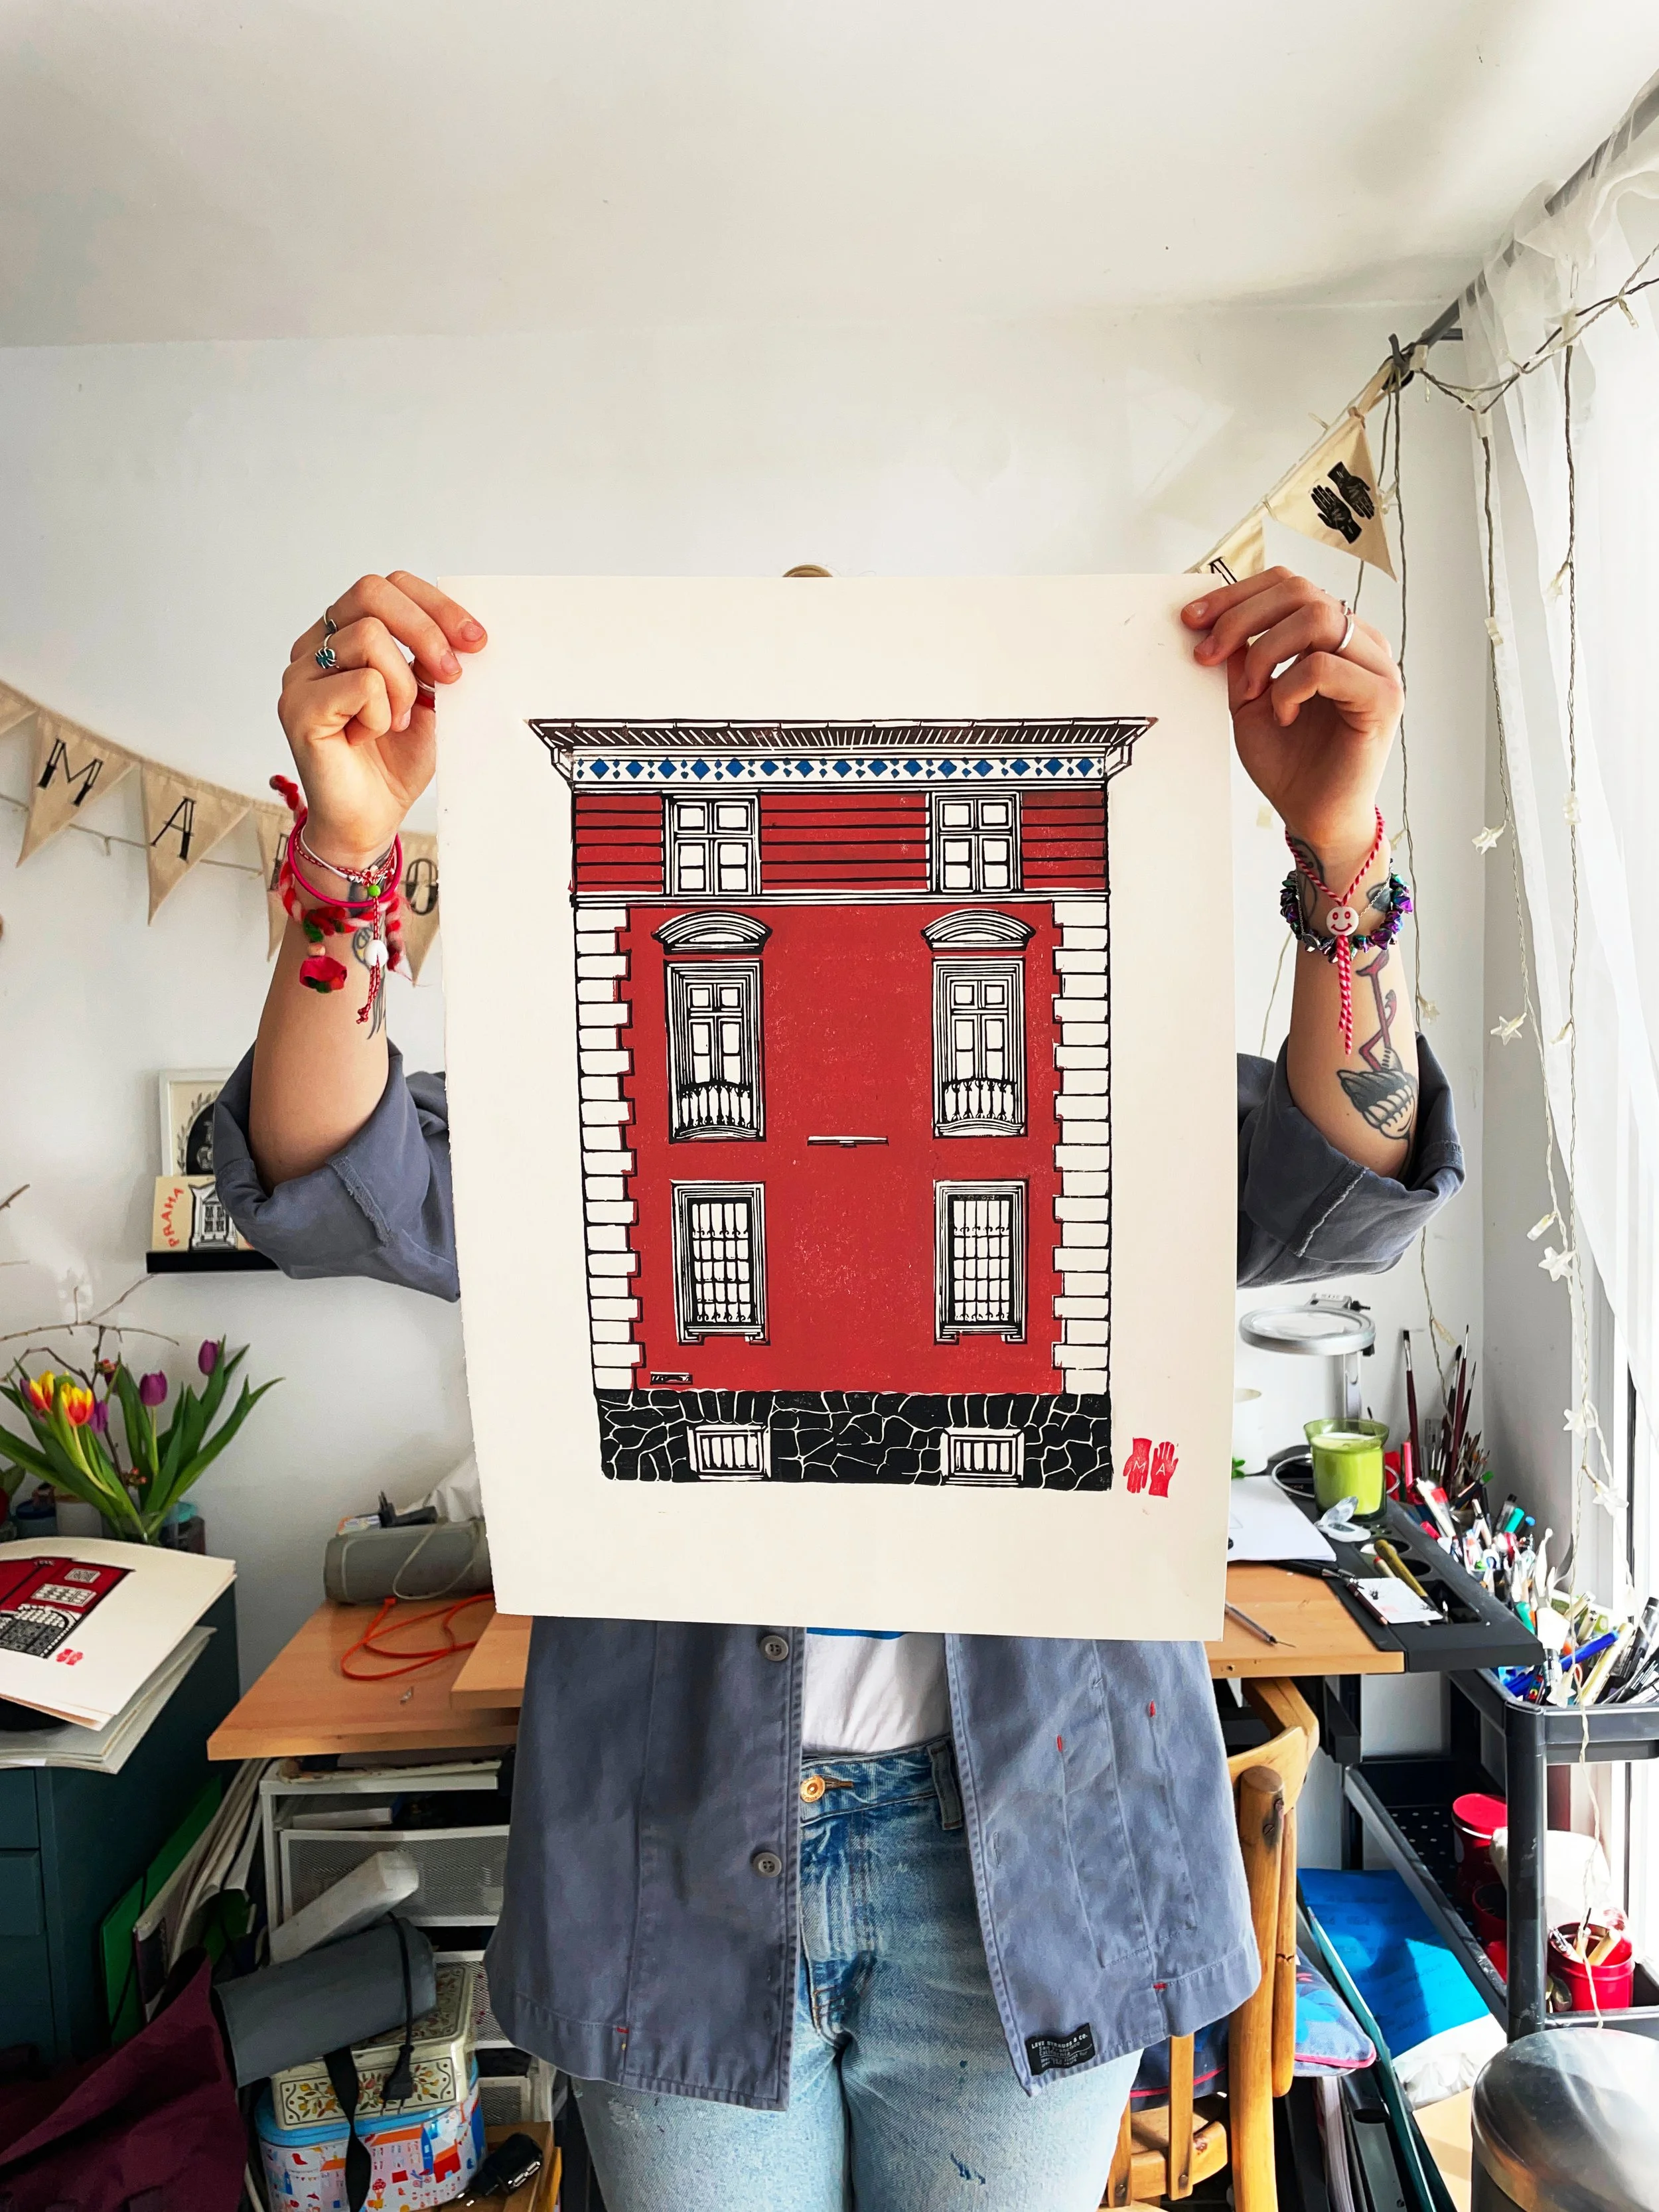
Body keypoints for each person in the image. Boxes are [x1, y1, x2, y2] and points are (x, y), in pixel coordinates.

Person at [216, 565, 1462, 2212]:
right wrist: (344, 854)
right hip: (675, 1829)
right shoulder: (594, 1071)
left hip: (1038, 1832)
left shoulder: (1096, 1054)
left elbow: (1344, 1170)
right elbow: (327, 1172)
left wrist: (1340, 847)